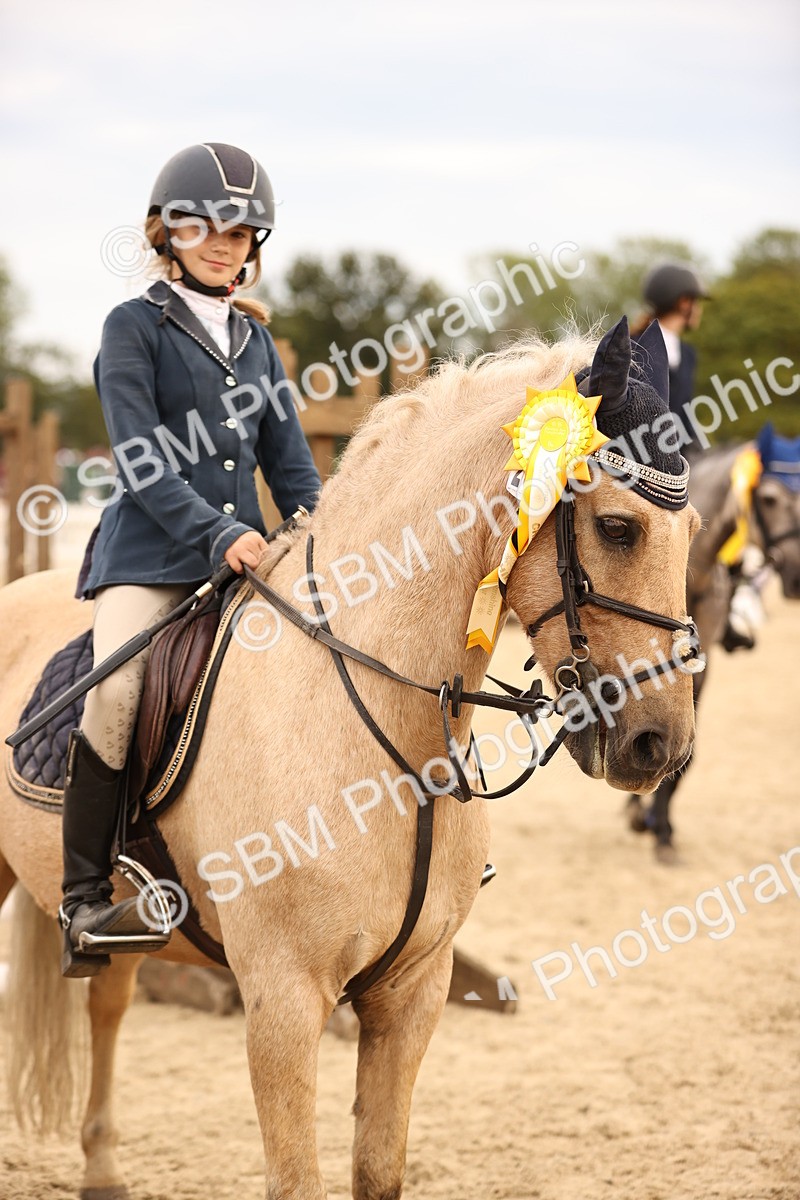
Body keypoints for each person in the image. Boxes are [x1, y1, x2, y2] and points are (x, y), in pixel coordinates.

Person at [61, 143, 322, 977]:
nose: (224, 240)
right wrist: (218, 533)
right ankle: (85, 898)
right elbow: (140, 458)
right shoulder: (132, 327)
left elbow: (290, 464)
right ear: (165, 231)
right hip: (153, 556)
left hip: (245, 561)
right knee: (114, 693)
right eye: (204, 224)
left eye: (242, 230)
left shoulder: (255, 343)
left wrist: (318, 528)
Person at [634, 262, 711, 458]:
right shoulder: (631, 347)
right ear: (684, 302)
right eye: (697, 303)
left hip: (677, 458)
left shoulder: (688, 354)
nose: (699, 310)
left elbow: (685, 413)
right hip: (635, 456)